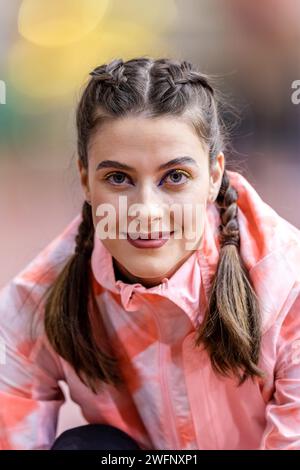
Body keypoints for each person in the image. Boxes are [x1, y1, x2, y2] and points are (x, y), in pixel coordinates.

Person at [0, 56, 300, 450]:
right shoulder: (40, 298)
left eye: (175, 177)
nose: (145, 210)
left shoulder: (286, 286)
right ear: (86, 181)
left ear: (213, 178)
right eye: (118, 178)